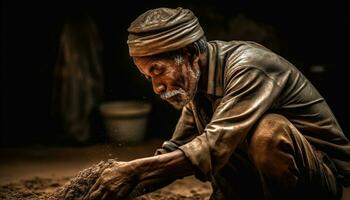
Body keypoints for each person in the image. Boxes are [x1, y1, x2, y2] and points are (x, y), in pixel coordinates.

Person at [84, 7, 349, 200]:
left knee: (269, 131)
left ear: (187, 53)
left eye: (158, 70)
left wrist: (133, 170)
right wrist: (109, 186)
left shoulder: (249, 67)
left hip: (320, 180)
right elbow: (179, 150)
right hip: (260, 184)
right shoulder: (197, 83)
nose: (157, 87)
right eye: (148, 77)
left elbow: (212, 146)